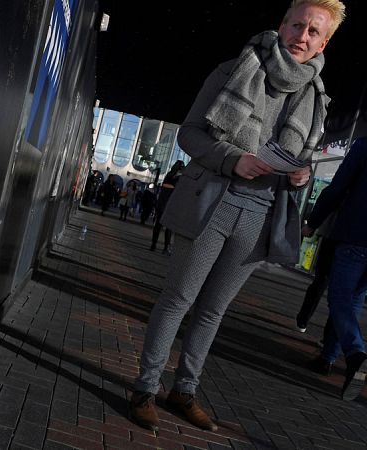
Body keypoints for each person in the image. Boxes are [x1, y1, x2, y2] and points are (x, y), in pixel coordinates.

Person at [129, 0, 345, 432]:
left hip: (262, 213)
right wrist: (232, 159)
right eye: (298, 25)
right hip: (213, 200)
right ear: (281, 25)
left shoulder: (316, 97)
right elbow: (189, 133)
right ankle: (145, 389)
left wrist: (300, 176)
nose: (303, 36)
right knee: (179, 299)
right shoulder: (234, 70)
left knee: (213, 310)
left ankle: (184, 391)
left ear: (325, 41)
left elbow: (298, 157)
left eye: (314, 32)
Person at [302, 137, 367, 400]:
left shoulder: (364, 145)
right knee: (353, 299)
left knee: (340, 297)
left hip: (355, 234)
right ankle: (327, 357)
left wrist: (314, 221)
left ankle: (355, 353)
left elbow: (338, 187)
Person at [150, 160, 184, 253]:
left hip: (161, 202)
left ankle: (153, 245)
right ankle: (166, 247)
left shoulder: (168, 175)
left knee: (158, 225)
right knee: (169, 226)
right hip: (170, 203)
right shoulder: (180, 178)